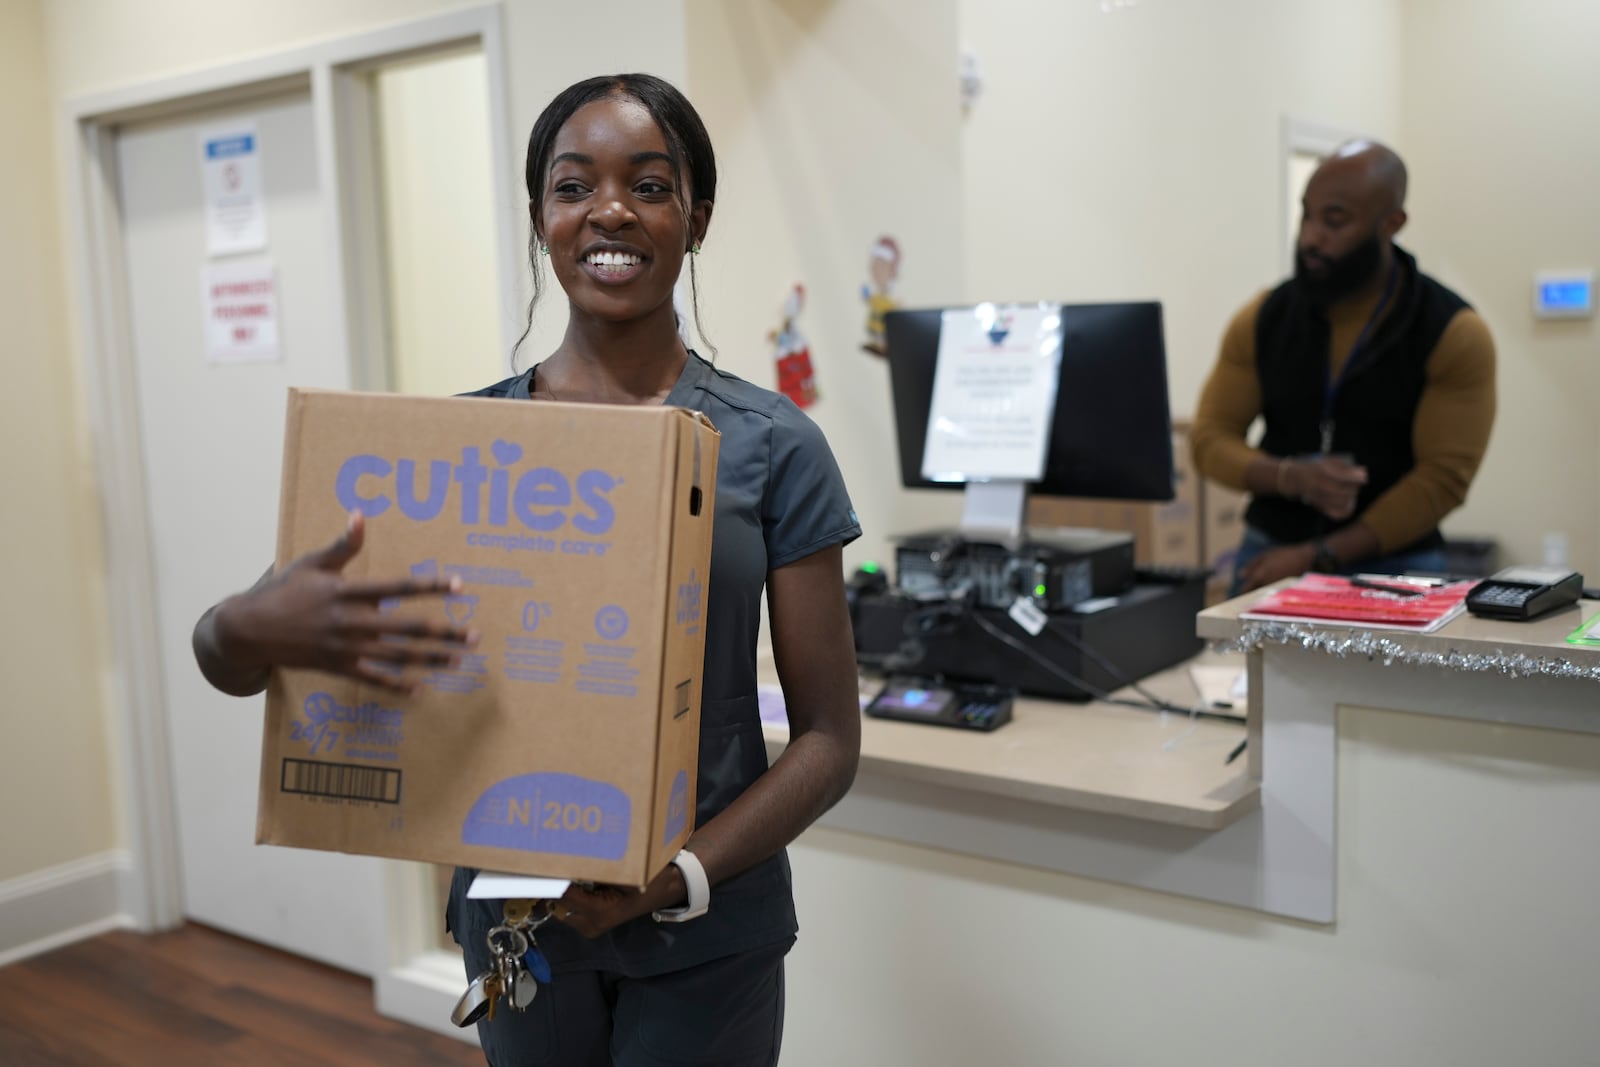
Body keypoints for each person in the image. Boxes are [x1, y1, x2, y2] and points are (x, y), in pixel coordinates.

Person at [192, 72, 863, 1066]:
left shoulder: (771, 445)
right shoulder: (456, 454)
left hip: (704, 932)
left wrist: (676, 874)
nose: (608, 211)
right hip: (517, 927)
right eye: (571, 184)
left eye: (648, 184)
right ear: (541, 217)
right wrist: (247, 625)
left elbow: (827, 740)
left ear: (696, 217)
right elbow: (226, 655)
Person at [1189, 140, 1496, 594]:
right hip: (1271, 549)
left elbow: (1442, 480)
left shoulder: (1453, 331)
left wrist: (1317, 557)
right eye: (1306, 215)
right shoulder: (1263, 317)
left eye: (1334, 221)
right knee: (1247, 668)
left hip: (1398, 561)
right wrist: (1288, 477)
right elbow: (1209, 440)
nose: (1311, 237)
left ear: (1391, 224)